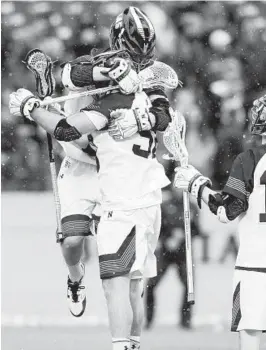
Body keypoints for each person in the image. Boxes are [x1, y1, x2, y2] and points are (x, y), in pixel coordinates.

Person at [9, 8, 175, 350]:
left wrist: (30, 109)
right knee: (104, 264)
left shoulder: (125, 96)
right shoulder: (103, 70)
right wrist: (105, 70)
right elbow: (68, 75)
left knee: (120, 282)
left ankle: (122, 344)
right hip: (112, 177)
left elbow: (160, 114)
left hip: (118, 189)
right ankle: (82, 289)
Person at [173, 94, 266, 350]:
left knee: (251, 333)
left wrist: (196, 184)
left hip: (256, 260)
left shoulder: (250, 159)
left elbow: (226, 210)